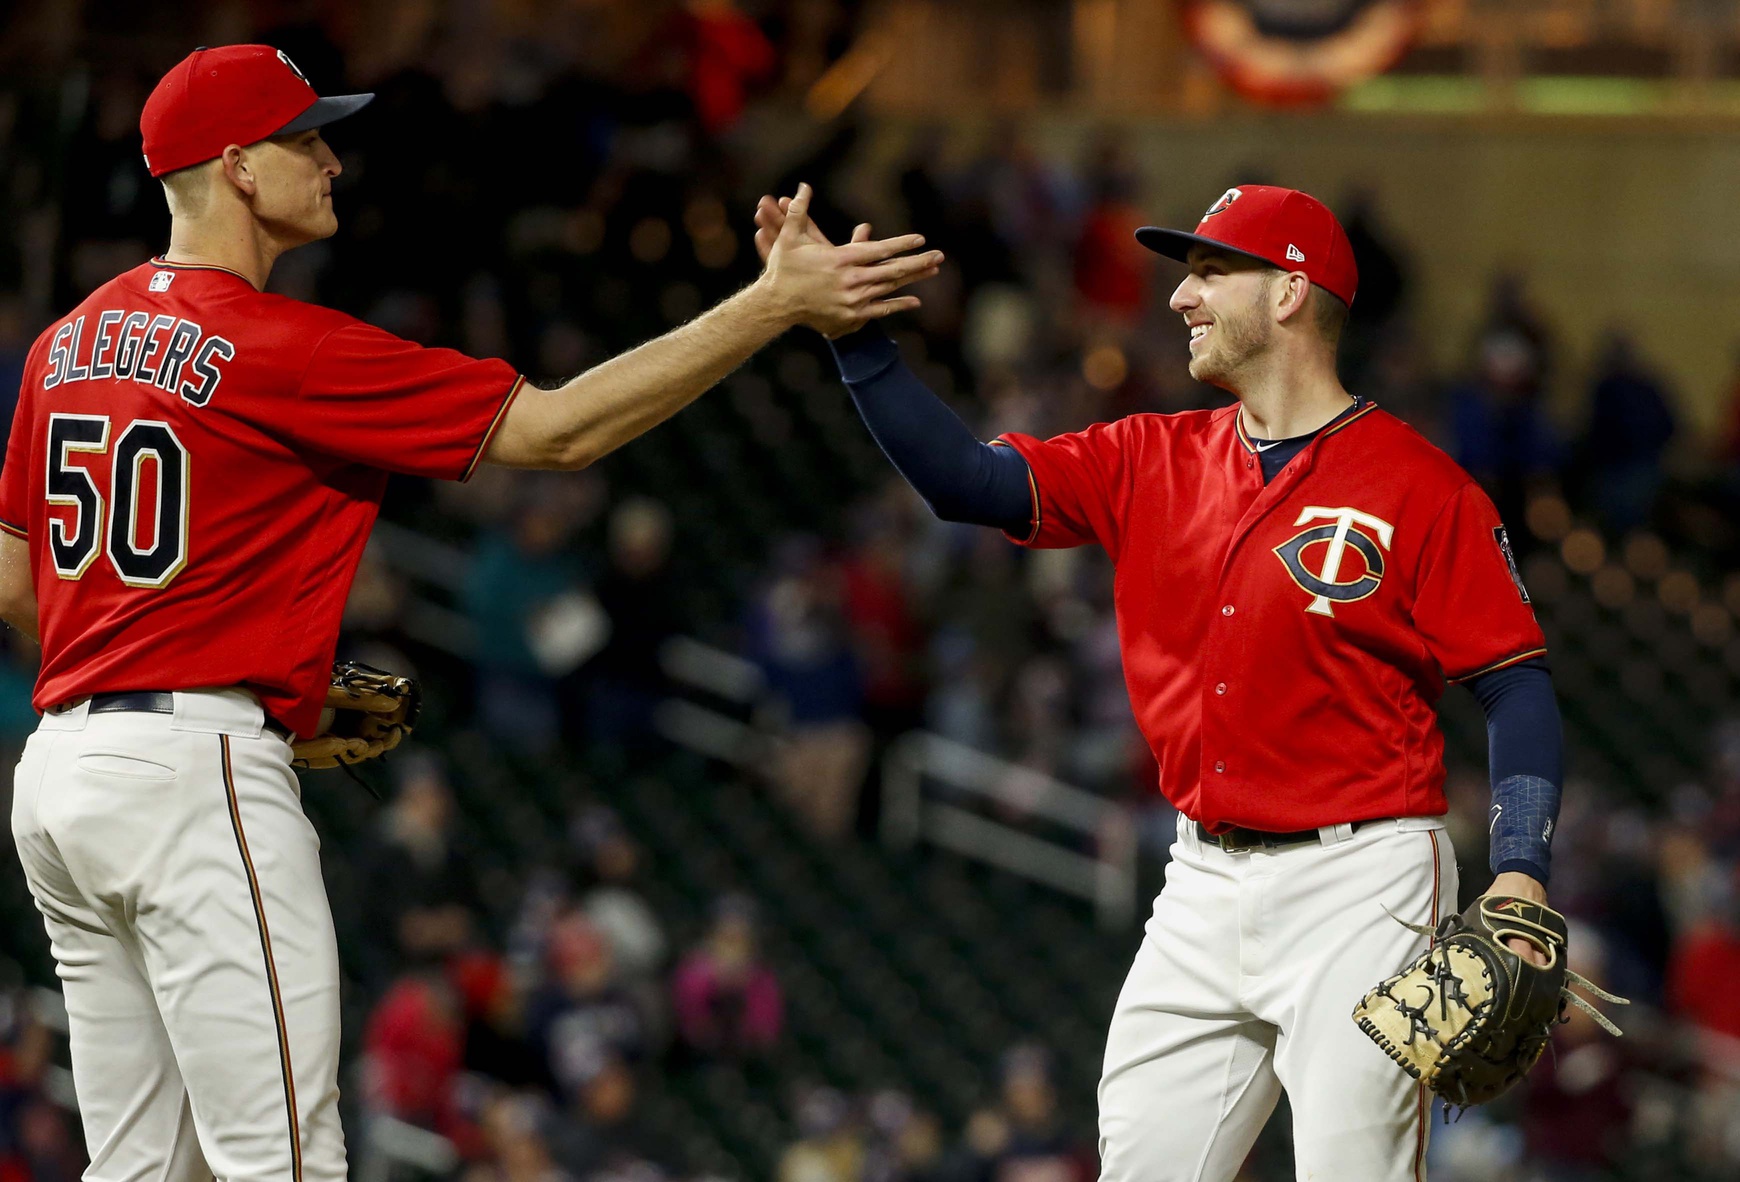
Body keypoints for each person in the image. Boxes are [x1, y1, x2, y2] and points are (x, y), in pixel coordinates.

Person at [0, 44, 939, 1182]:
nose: (331, 158)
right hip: (188, 771)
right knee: (282, 1163)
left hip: (60, 776)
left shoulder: (63, 346)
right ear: (239, 166)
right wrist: (770, 305)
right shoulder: (279, 344)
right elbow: (557, 432)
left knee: (136, 1168)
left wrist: (192, 668)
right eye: (306, 138)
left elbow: (17, 586)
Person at [755, 183, 1565, 1179]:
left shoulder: (1424, 488)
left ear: (1289, 294)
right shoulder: (1149, 455)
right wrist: (857, 345)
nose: (1183, 297)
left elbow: (1515, 685)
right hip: (1200, 877)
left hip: (1363, 880)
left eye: (1212, 271)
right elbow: (967, 481)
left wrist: (1521, 865)